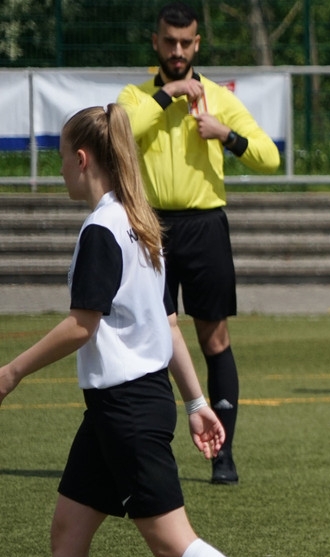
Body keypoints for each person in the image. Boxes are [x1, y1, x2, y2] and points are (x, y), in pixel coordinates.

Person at [0, 105, 304, 557]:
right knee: (68, 532)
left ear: (82, 158)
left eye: (63, 156)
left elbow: (82, 325)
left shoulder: (103, 229)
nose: (61, 167)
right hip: (123, 407)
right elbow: (165, 324)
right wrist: (195, 401)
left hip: (126, 410)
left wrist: (11, 370)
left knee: (171, 542)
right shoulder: (138, 224)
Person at [117, 1, 281, 485]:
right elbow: (120, 132)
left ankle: (221, 453)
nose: (178, 50)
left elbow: (269, 158)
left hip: (206, 227)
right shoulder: (137, 95)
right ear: (156, 42)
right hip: (149, 227)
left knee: (215, 339)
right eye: (169, 42)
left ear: (197, 44)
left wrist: (225, 134)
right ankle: (145, 452)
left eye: (186, 42)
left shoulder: (218, 97)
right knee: (150, 341)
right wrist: (167, 96)